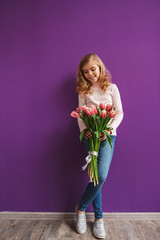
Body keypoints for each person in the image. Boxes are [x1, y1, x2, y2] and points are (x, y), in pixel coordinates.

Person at [75, 53, 124, 239]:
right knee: (94, 176)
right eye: (85, 72)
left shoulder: (112, 88)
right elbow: (80, 114)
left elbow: (119, 113)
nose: (90, 74)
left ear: (100, 67)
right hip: (90, 137)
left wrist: (108, 130)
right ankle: (99, 219)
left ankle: (80, 209)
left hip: (108, 136)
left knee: (100, 176)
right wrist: (84, 130)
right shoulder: (83, 91)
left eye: (92, 69)